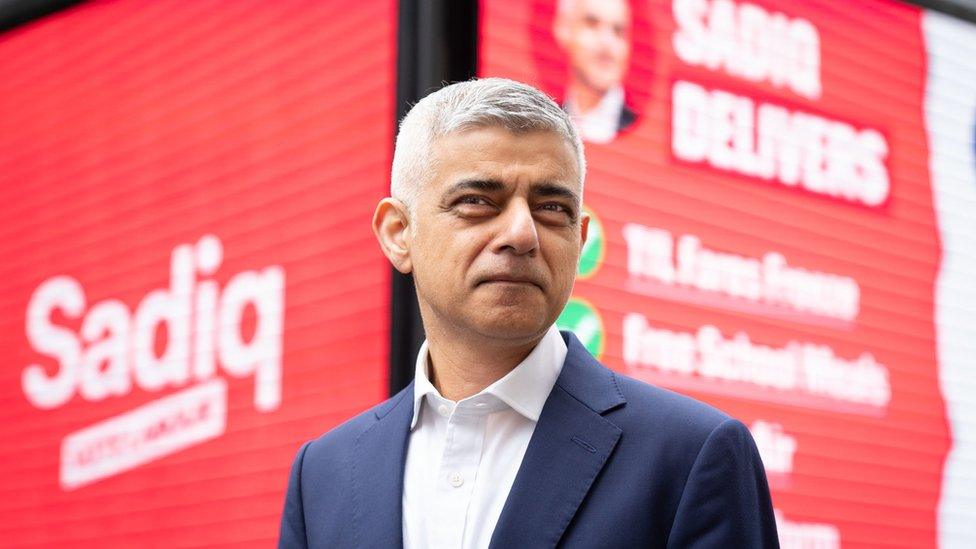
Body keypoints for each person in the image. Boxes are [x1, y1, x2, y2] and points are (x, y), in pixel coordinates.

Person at [278, 78, 778, 548]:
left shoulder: (691, 455)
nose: (522, 234)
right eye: (477, 201)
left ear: (579, 241)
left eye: (552, 208)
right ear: (397, 232)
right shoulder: (322, 474)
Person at [553, 0, 637, 143]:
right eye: (592, 24)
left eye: (618, 31)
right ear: (564, 30)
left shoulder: (635, 129)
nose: (606, 42)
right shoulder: (547, 126)